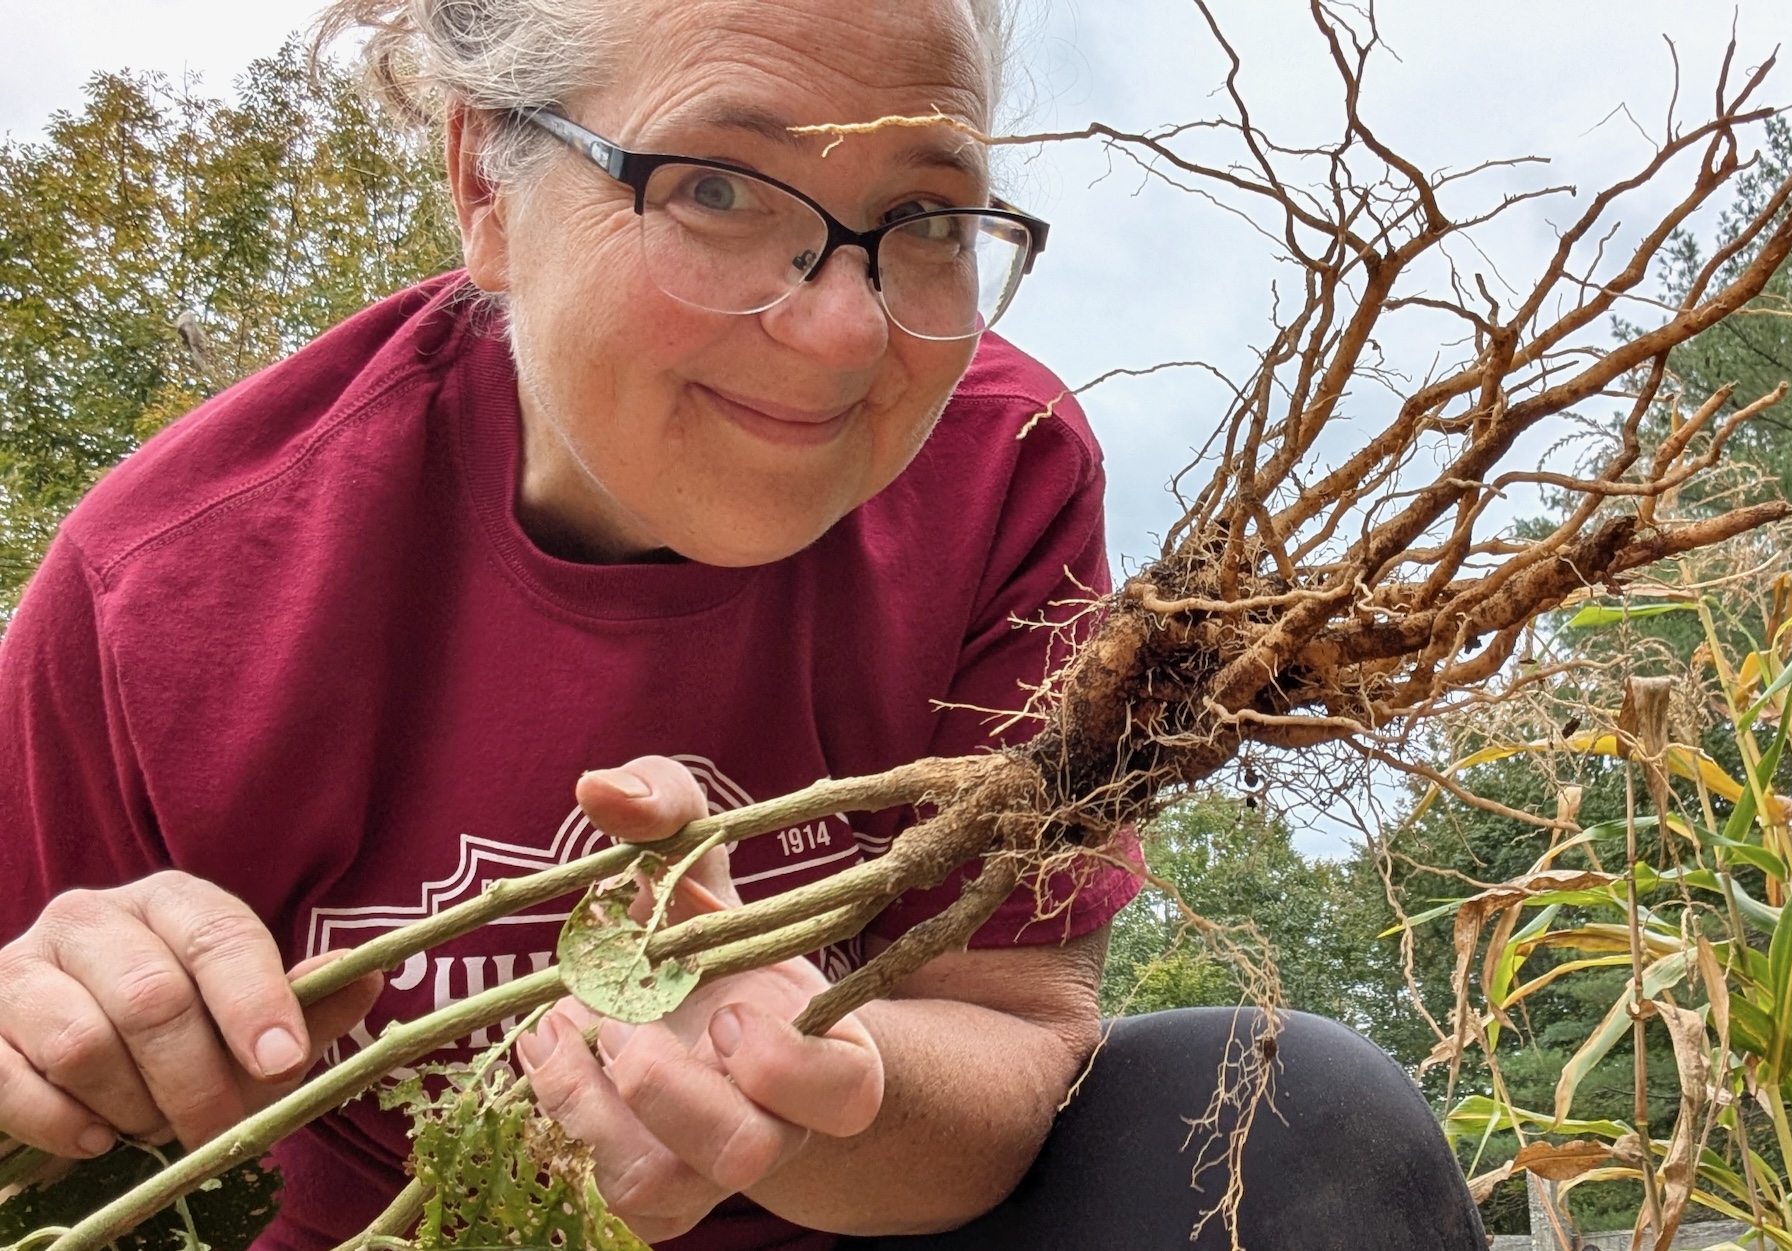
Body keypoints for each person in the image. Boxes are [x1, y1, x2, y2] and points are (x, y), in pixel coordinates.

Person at [0, 0, 1486, 1247]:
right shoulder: (170, 587)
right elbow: (47, 1105)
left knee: (1300, 1124)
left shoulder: (1002, 469)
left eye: (926, 218)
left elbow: (1020, 1024)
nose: (846, 329)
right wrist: (63, 1027)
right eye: (715, 186)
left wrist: (815, 1082)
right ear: (484, 189)